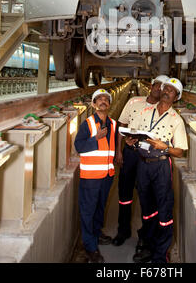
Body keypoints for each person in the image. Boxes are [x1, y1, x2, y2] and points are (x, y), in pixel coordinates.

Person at [129, 78, 188, 264]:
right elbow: (135, 133)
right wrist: (130, 141)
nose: (166, 91)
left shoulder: (176, 120)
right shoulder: (146, 112)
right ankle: (148, 243)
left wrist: (164, 147)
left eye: (171, 90)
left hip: (161, 166)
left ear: (176, 97)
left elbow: (180, 151)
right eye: (165, 88)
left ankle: (161, 255)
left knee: (163, 211)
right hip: (143, 164)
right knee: (147, 208)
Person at [112, 75, 169, 248]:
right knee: (125, 193)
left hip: (149, 157)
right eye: (158, 86)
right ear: (151, 86)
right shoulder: (134, 101)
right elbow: (120, 125)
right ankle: (123, 230)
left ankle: (145, 237)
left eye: (164, 89)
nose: (160, 90)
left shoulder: (164, 109)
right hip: (130, 154)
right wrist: (118, 151)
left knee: (147, 196)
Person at [74, 88, 117, 263]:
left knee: (100, 208)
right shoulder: (88, 124)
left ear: (109, 104)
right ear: (93, 104)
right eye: (99, 99)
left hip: (107, 175)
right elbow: (79, 146)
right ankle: (90, 247)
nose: (102, 101)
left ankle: (97, 234)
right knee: (88, 211)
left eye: (106, 99)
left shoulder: (113, 123)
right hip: (91, 176)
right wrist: (96, 138)